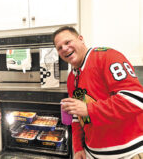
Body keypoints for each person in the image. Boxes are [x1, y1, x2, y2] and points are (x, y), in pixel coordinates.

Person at [53, 26, 143, 159]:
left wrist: (89, 109)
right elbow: (76, 116)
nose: (64, 49)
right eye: (59, 48)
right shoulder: (72, 78)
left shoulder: (107, 56)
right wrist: (78, 148)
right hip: (92, 153)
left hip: (129, 153)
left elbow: (135, 100)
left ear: (81, 39)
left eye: (67, 42)